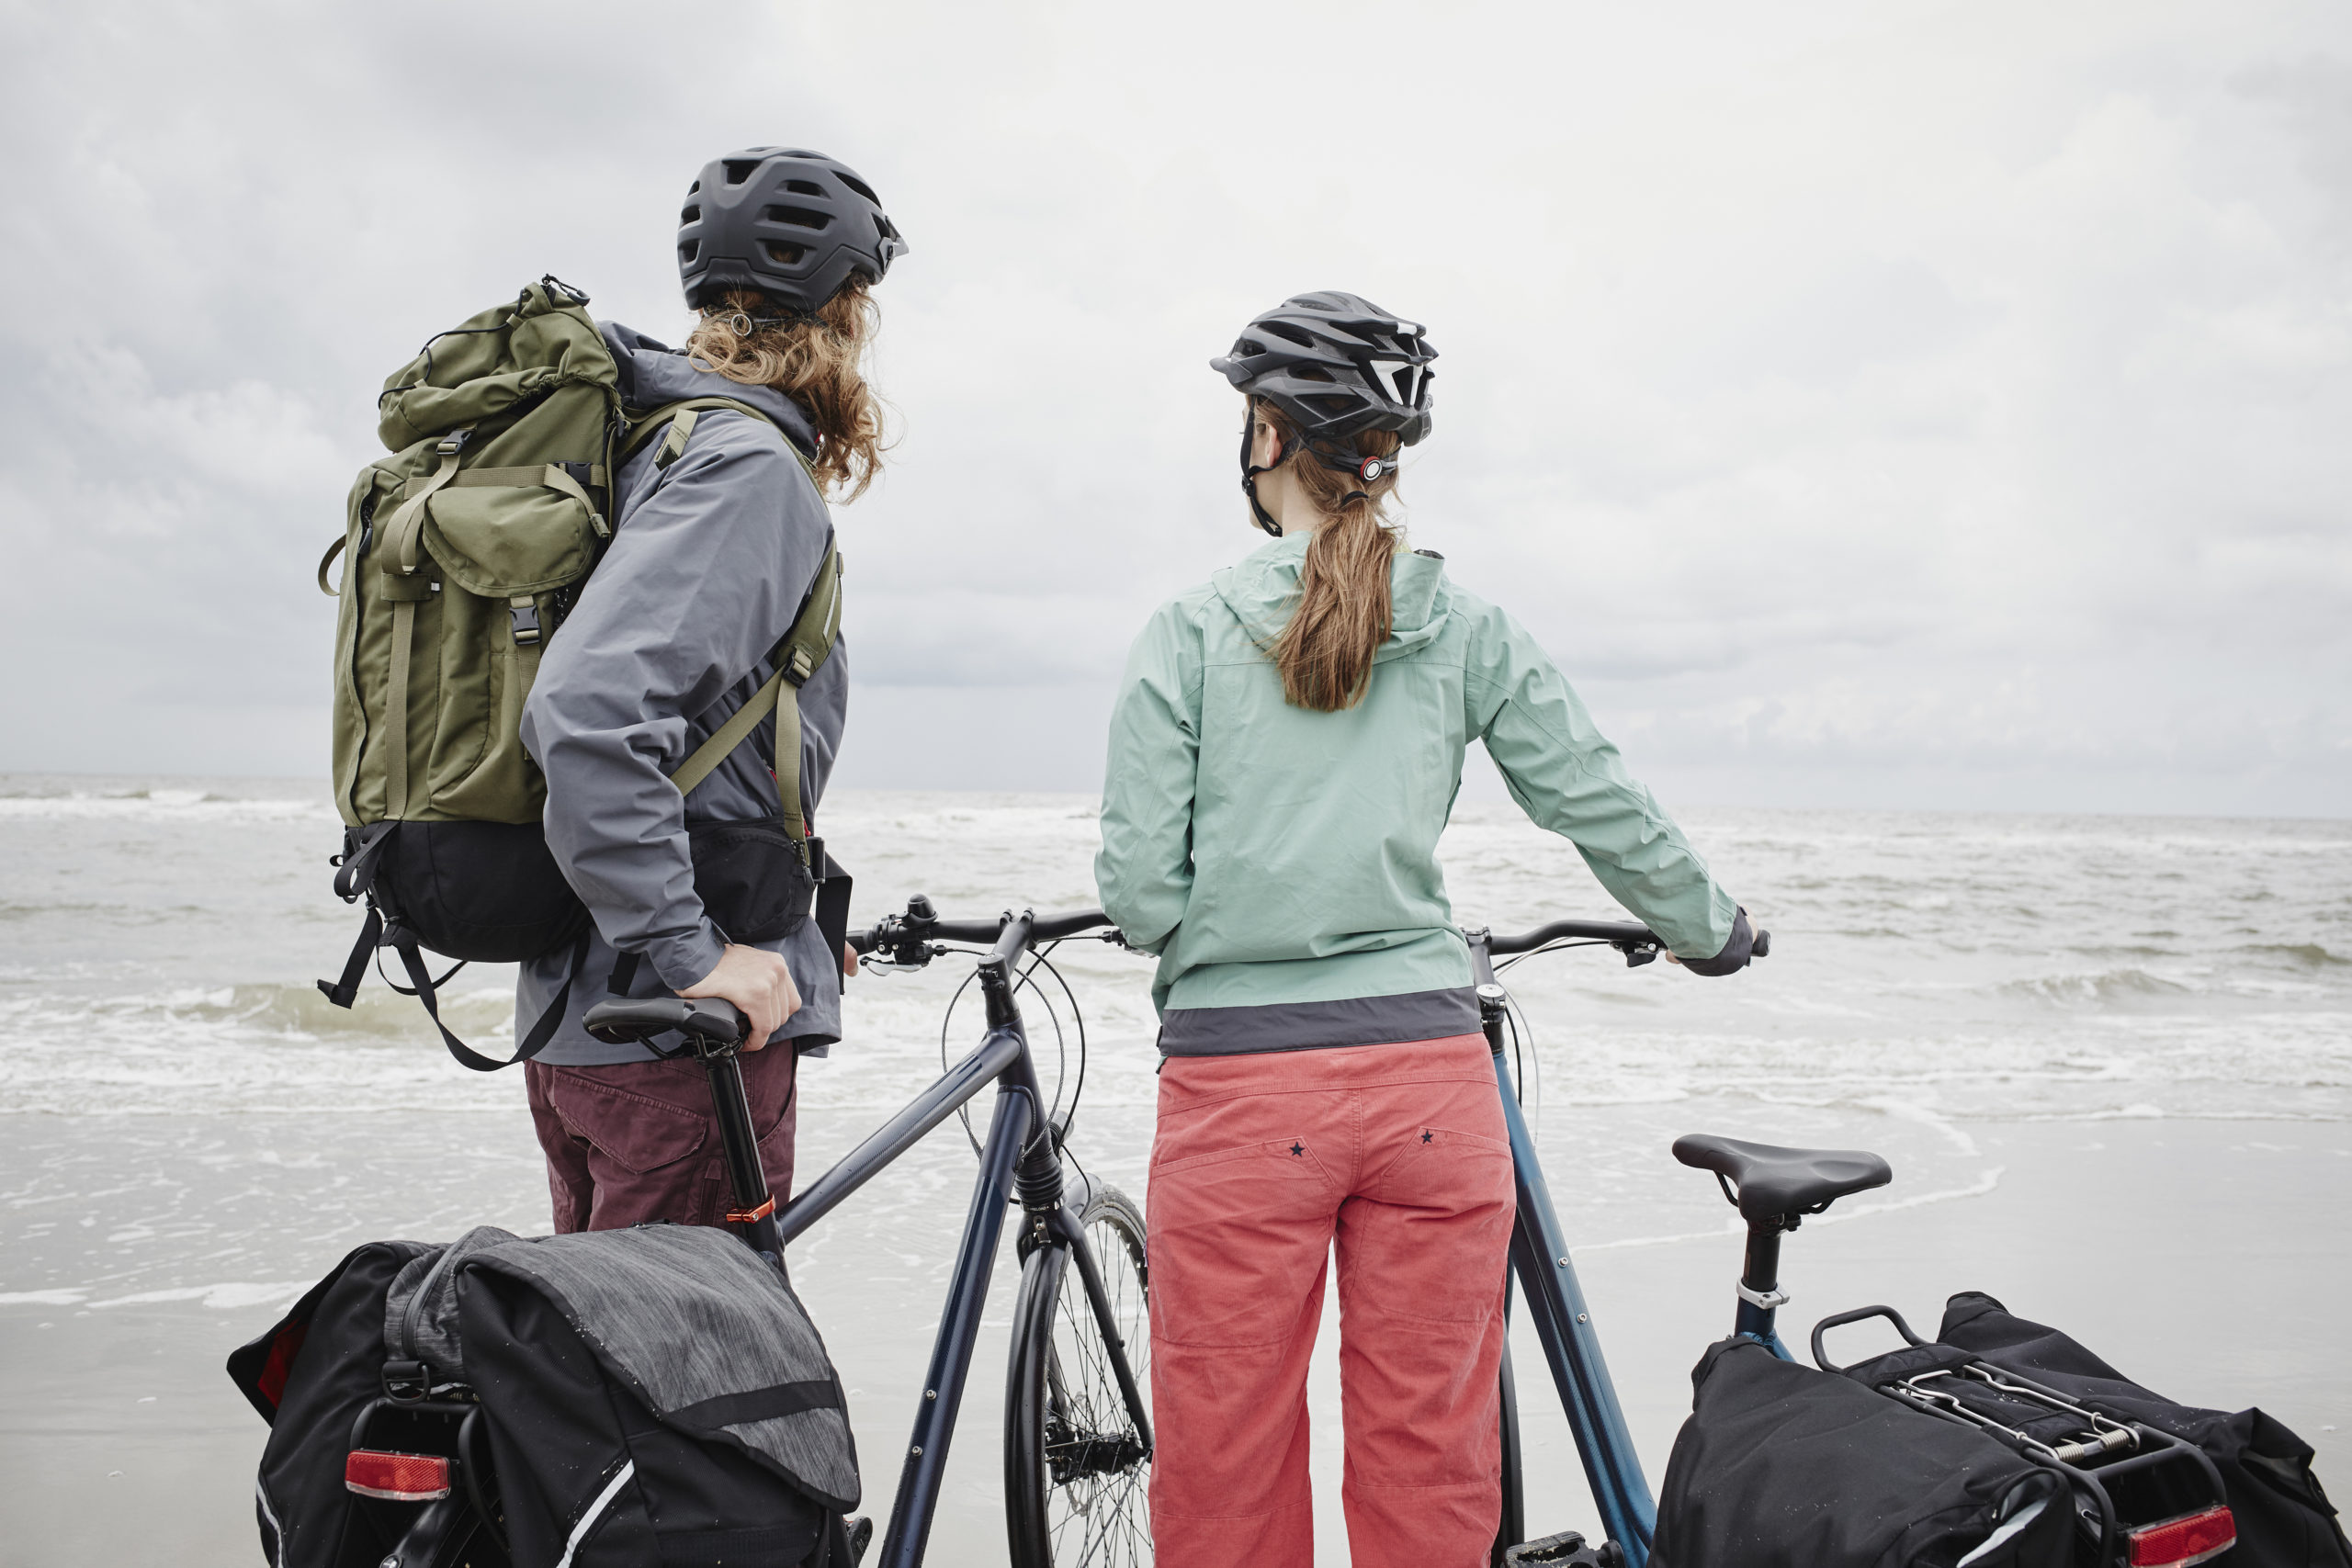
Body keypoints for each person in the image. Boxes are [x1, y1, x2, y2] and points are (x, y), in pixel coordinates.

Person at [1095, 292, 1758, 1568]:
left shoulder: (1183, 632)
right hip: (1431, 1094)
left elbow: (1139, 897)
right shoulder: (1463, 622)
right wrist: (1708, 925)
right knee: (1432, 1468)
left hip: (1240, 1094)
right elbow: (1595, 794)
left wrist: (1213, 906)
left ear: (1267, 437)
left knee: (1223, 1465)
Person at [514, 147, 905, 1235]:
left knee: (603, 1385)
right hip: (676, 1044)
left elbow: (712, 745)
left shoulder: (657, 442)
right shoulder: (746, 468)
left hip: (594, 1015)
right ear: (841, 312)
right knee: (695, 1393)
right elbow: (588, 712)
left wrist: (798, 930)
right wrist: (698, 954)